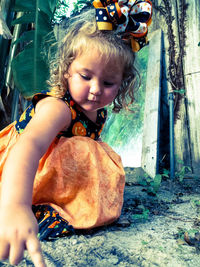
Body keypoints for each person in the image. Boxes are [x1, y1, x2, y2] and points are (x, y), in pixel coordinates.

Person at [0, 1, 152, 266]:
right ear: (67, 68)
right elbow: (28, 147)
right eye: (85, 76)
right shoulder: (57, 108)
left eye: (107, 83)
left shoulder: (97, 113)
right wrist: (16, 206)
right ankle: (31, 207)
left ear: (122, 84)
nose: (95, 89)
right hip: (19, 174)